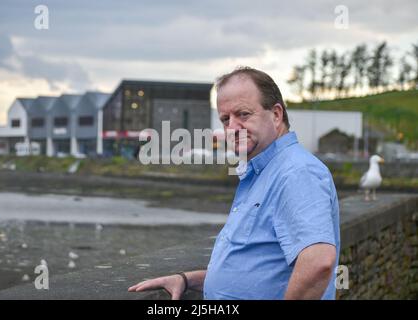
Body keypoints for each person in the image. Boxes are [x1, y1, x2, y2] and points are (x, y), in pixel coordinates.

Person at [128, 66, 340, 300]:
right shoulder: (264, 172)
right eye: (226, 119)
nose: (232, 128)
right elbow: (257, 267)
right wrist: (188, 280)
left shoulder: (296, 172)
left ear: (276, 115)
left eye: (244, 114)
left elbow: (319, 262)